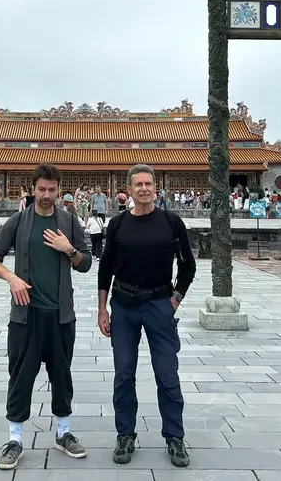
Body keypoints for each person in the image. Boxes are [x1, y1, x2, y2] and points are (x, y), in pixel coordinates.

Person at [0, 164, 92, 471]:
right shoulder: (19, 221)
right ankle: (15, 439)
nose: (46, 195)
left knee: (62, 375)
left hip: (60, 316)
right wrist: (12, 279)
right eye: (41, 189)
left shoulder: (68, 221)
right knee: (20, 376)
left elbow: (85, 263)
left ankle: (63, 433)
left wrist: (68, 248)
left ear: (59, 190)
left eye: (51, 190)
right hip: (25, 317)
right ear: (33, 189)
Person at [98, 164, 196, 468]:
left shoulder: (171, 222)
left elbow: (188, 266)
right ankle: (125, 434)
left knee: (167, 374)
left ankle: (174, 437)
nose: (143, 189)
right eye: (138, 184)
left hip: (159, 304)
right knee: (123, 374)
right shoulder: (118, 224)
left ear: (155, 188)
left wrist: (174, 300)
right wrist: (102, 308)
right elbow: (105, 268)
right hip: (124, 305)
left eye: (148, 184)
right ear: (128, 189)